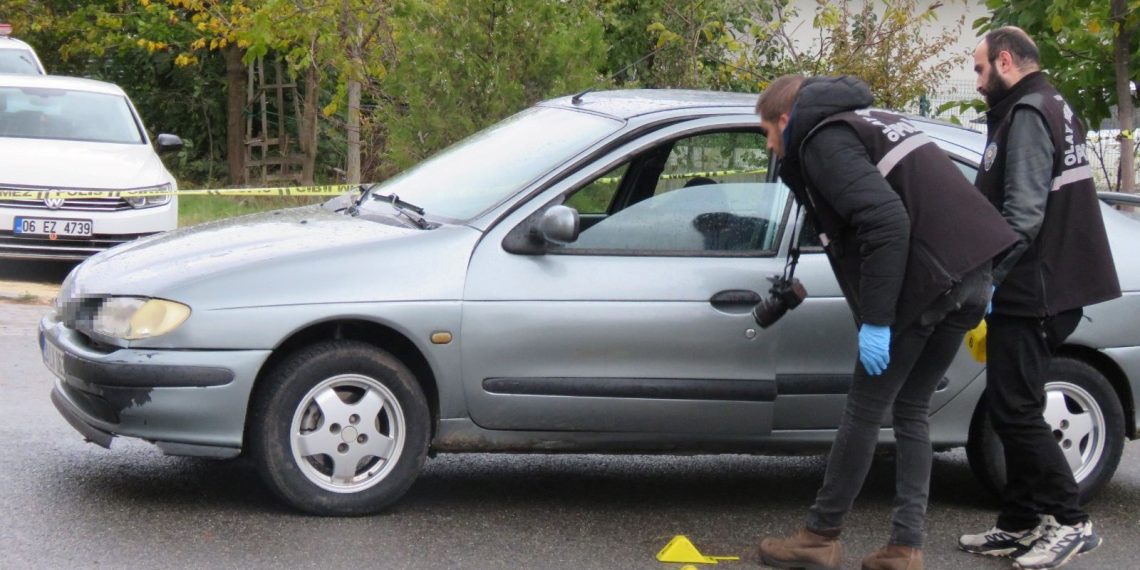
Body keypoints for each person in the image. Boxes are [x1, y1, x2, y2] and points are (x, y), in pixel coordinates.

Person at [753, 75, 1018, 570]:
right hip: (970, 275)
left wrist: (877, 320)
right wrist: (982, 282)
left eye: (767, 132)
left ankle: (820, 536)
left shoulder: (824, 141)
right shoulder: (872, 121)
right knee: (912, 408)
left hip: (928, 284)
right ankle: (905, 546)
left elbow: (886, 222)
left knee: (864, 410)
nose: (769, 145)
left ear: (786, 120)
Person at [957, 26, 1121, 570]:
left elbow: (1022, 215)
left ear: (1005, 61)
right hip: (1048, 283)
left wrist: (988, 280)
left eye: (980, 69)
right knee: (1012, 407)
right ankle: (1021, 522)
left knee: (1017, 409)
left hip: (1035, 288)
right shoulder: (1053, 104)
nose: (978, 82)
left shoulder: (1028, 113)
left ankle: (1072, 523)